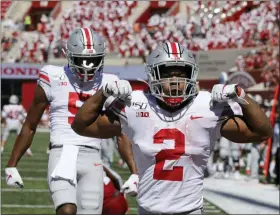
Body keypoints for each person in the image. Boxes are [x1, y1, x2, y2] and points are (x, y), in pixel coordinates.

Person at [72, 42, 272, 214]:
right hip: (149, 210)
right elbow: (81, 126)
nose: (176, 82)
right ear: (152, 75)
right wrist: (103, 93)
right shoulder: (135, 104)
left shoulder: (207, 106)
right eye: (168, 74)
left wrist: (240, 94)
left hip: (189, 210)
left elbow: (263, 132)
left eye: (181, 73)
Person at [5, 28, 138, 215]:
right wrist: (11, 165)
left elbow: (121, 132)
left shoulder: (110, 81)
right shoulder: (52, 76)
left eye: (93, 60)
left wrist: (134, 171)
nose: (87, 66)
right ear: (67, 56)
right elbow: (30, 125)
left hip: (92, 156)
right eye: (81, 60)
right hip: (62, 152)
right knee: (66, 210)